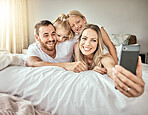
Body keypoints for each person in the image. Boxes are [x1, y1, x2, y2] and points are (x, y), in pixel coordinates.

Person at [76, 24, 145, 97]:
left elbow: (111, 69)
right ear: (79, 40)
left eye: (94, 40)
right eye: (84, 38)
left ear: (98, 43)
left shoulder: (105, 58)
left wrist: (126, 83)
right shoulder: (76, 50)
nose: (87, 44)